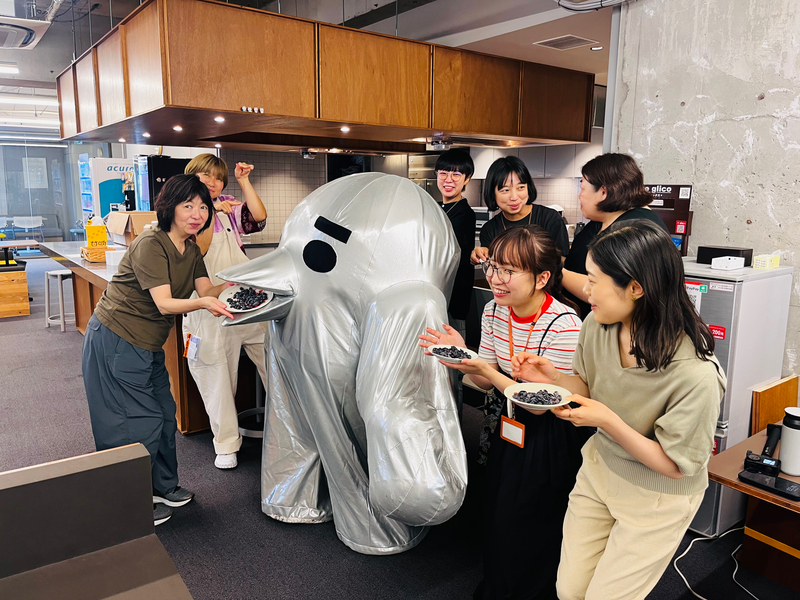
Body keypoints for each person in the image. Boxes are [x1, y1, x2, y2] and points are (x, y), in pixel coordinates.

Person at [511, 220, 726, 600]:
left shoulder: (696, 374)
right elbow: (587, 386)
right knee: (569, 590)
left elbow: (675, 466)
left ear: (636, 288)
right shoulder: (597, 324)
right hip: (600, 468)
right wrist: (555, 378)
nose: (585, 289)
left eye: (594, 280)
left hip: (657, 496)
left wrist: (607, 420)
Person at [420, 225, 586, 600]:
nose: (495, 278)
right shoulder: (495, 310)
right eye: (493, 266)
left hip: (551, 433)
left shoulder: (565, 324)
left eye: (508, 271)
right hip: (504, 419)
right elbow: (485, 381)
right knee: (498, 507)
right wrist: (463, 358)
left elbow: (540, 406)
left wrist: (481, 367)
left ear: (542, 278)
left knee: (535, 516)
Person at [82, 175, 234, 527]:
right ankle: (129, 503)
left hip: (148, 344)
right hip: (117, 338)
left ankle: (163, 487)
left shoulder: (191, 249)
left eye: (203, 207)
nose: (197, 214)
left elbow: (206, 289)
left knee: (165, 414)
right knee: (131, 422)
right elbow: (165, 303)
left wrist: (240, 281)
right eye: (188, 205)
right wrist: (205, 303)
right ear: (169, 207)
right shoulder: (151, 243)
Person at [183, 154, 269, 470]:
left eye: (218, 178)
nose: (213, 182)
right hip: (209, 309)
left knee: (276, 364)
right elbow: (200, 250)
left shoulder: (228, 208)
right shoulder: (185, 215)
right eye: (205, 175)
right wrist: (208, 212)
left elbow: (258, 218)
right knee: (217, 377)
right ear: (191, 177)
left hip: (245, 302)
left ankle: (288, 430)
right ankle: (226, 444)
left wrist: (244, 181)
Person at [563, 152, 668, 318]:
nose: (579, 195)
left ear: (603, 192)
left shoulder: (635, 229)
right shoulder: (602, 219)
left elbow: (610, 290)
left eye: (582, 188)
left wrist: (556, 271)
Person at [434, 149, 476, 415]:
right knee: (437, 364)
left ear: (466, 179)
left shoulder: (464, 214)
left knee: (453, 364)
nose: (448, 179)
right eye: (443, 173)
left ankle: (456, 424)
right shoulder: (437, 209)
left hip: (453, 302)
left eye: (456, 174)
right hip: (438, 296)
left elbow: (448, 255)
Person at [470, 156, 569, 265]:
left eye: (521, 187)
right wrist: (481, 256)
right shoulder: (489, 230)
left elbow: (563, 263)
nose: (514, 197)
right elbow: (491, 267)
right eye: (505, 190)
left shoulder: (550, 219)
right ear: (493, 193)